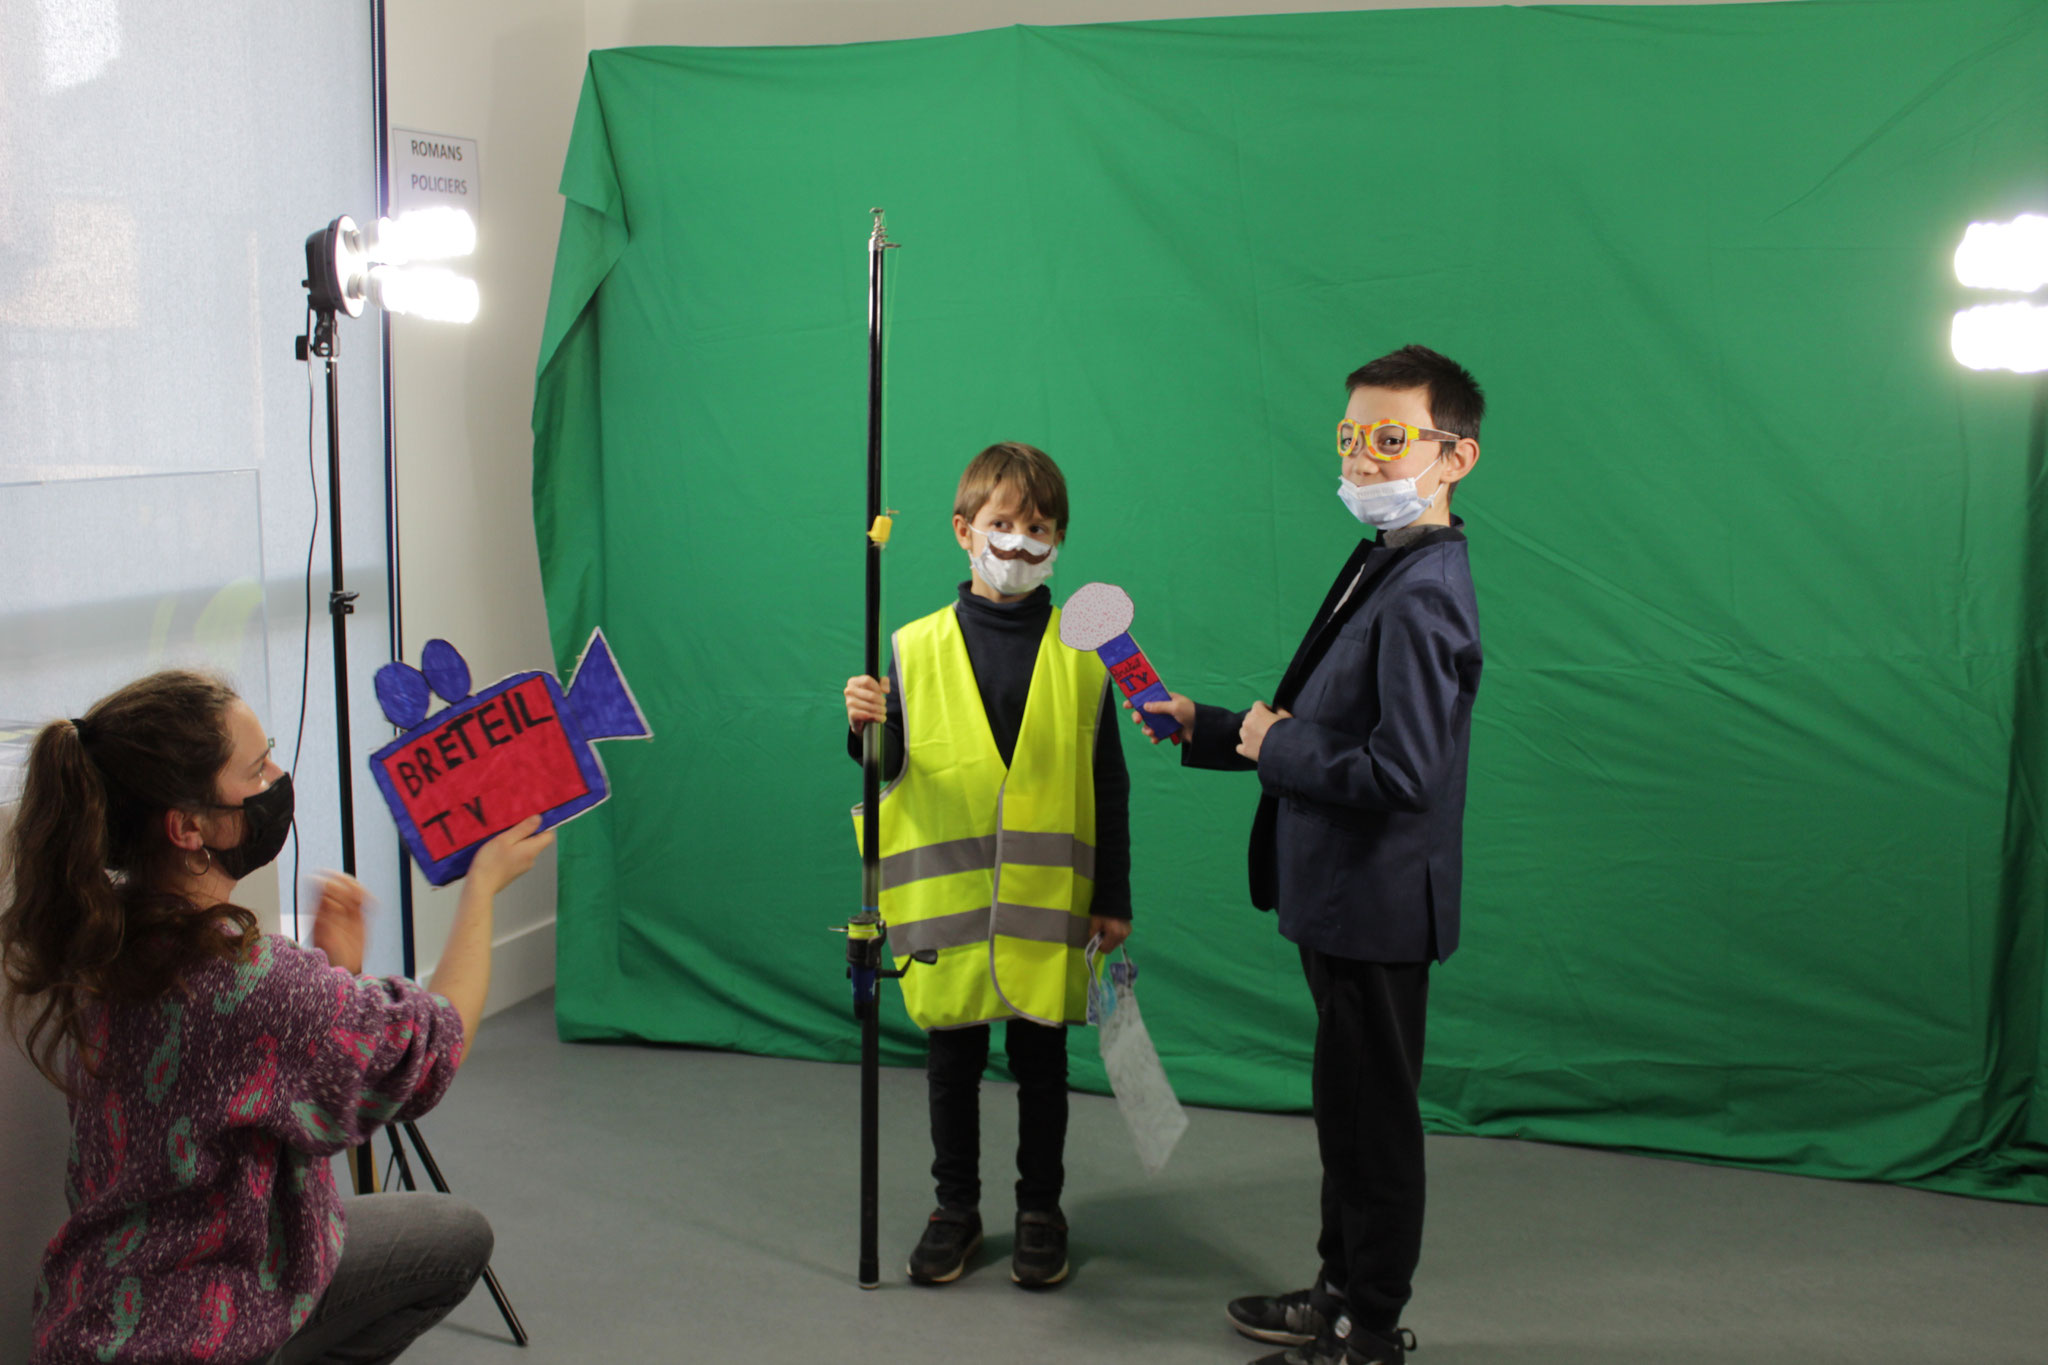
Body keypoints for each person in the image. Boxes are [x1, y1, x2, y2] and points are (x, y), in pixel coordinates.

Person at [0, 670, 553, 1364]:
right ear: (188, 825)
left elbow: (252, 1072)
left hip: (95, 1310)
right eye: (257, 767)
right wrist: (483, 885)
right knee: (455, 1234)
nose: (279, 775)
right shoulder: (250, 982)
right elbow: (433, 1045)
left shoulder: (100, 936)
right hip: (195, 1332)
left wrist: (335, 975)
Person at [1138, 346, 1485, 1365]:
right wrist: (1211, 727)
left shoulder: (1426, 593)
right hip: (1339, 898)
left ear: (1453, 456)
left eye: (1390, 439)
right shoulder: (1384, 563)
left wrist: (1272, 744)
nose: (1364, 459)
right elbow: (1316, 720)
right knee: (1343, 1112)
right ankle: (1336, 1291)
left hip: (1377, 906)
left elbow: (1398, 772)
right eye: (1349, 438)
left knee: (1373, 1126)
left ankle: (1364, 1331)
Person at [841, 441, 1132, 1289]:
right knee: (952, 1060)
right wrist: (862, 720)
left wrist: (1113, 894)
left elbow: (1105, 780)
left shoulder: (1088, 651)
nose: (1019, 542)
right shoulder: (914, 645)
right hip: (948, 903)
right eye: (1002, 524)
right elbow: (885, 762)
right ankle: (955, 1208)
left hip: (1051, 902)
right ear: (965, 530)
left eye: (1038, 527)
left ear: (1059, 539)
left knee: (1044, 1065)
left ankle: (1040, 1208)